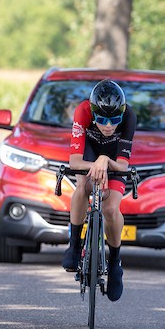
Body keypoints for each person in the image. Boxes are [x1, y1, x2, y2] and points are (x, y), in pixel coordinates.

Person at [62, 79, 137, 302]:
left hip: (113, 159)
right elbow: (75, 161)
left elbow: (122, 166)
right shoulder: (82, 111)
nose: (107, 125)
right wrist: (96, 162)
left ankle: (115, 263)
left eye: (114, 120)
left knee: (111, 208)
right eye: (101, 119)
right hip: (88, 153)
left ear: (122, 115)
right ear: (93, 112)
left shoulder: (129, 117)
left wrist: (105, 160)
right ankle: (74, 245)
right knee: (83, 188)